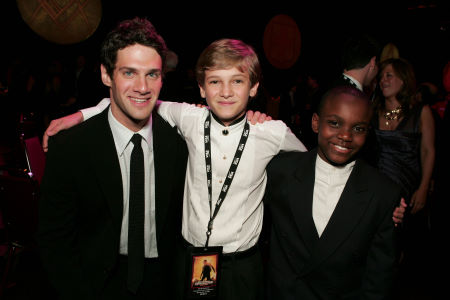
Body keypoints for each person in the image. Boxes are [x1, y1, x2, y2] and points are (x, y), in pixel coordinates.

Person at [41, 39, 406, 299]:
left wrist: (381, 204)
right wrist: (81, 114)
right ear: (201, 88)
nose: (226, 91)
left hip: (242, 267)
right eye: (215, 81)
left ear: (254, 88)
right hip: (186, 260)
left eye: (237, 81)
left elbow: (322, 165)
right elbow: (135, 100)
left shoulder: (272, 132)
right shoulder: (186, 116)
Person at [37, 17, 188, 300]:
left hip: (161, 283)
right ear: (107, 75)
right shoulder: (71, 147)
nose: (143, 87)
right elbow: (54, 240)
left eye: (152, 74)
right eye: (129, 73)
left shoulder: (177, 144)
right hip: (95, 283)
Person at [265, 86, 402, 299]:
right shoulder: (279, 170)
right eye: (335, 123)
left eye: (358, 128)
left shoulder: (383, 193)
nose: (346, 135)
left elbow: (379, 277)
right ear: (316, 122)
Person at [372, 57, 435, 294]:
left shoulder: (421, 112)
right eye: (381, 76)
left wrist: (424, 187)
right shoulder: (373, 111)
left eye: (389, 75)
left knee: (403, 252)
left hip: (408, 190)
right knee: (379, 250)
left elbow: (429, 151)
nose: (383, 80)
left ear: (403, 79)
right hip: (379, 192)